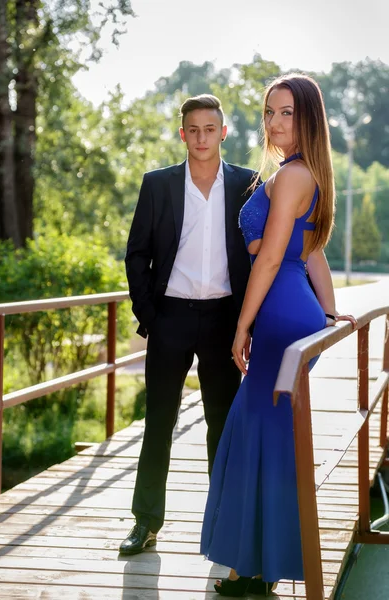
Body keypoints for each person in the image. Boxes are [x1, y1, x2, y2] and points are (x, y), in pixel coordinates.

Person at [200, 74, 357, 596]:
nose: (274, 122)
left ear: (308, 116)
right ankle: (260, 563)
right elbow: (312, 251)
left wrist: (242, 324)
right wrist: (330, 313)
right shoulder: (302, 172)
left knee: (255, 434)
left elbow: (271, 259)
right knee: (266, 436)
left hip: (279, 314)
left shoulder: (292, 176)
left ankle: (252, 568)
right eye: (269, 112)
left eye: (286, 112)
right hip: (297, 310)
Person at [119, 94, 258, 555]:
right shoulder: (157, 184)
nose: (201, 137)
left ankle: (222, 522)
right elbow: (137, 254)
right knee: (158, 422)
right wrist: (151, 317)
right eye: (192, 130)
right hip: (170, 317)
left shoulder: (248, 183)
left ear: (223, 132)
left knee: (222, 425)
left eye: (209, 129)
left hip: (224, 320)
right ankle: (146, 522)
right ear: (183, 134)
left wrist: (248, 320)